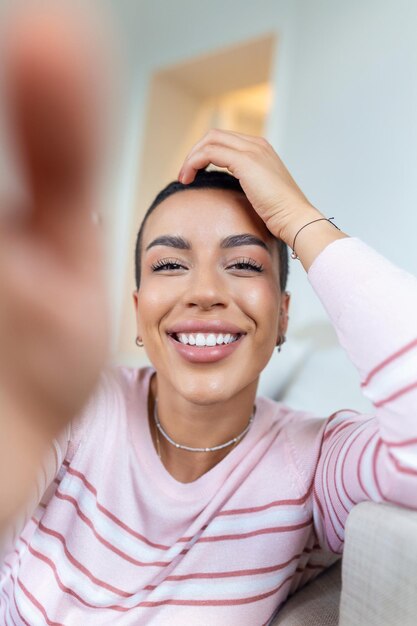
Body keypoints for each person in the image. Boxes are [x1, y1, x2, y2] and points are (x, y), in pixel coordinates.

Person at [1, 8, 417, 626]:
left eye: (244, 265)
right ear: (138, 315)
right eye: (170, 266)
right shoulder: (80, 408)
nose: (203, 292)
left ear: (282, 318)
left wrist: (301, 218)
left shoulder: (316, 462)